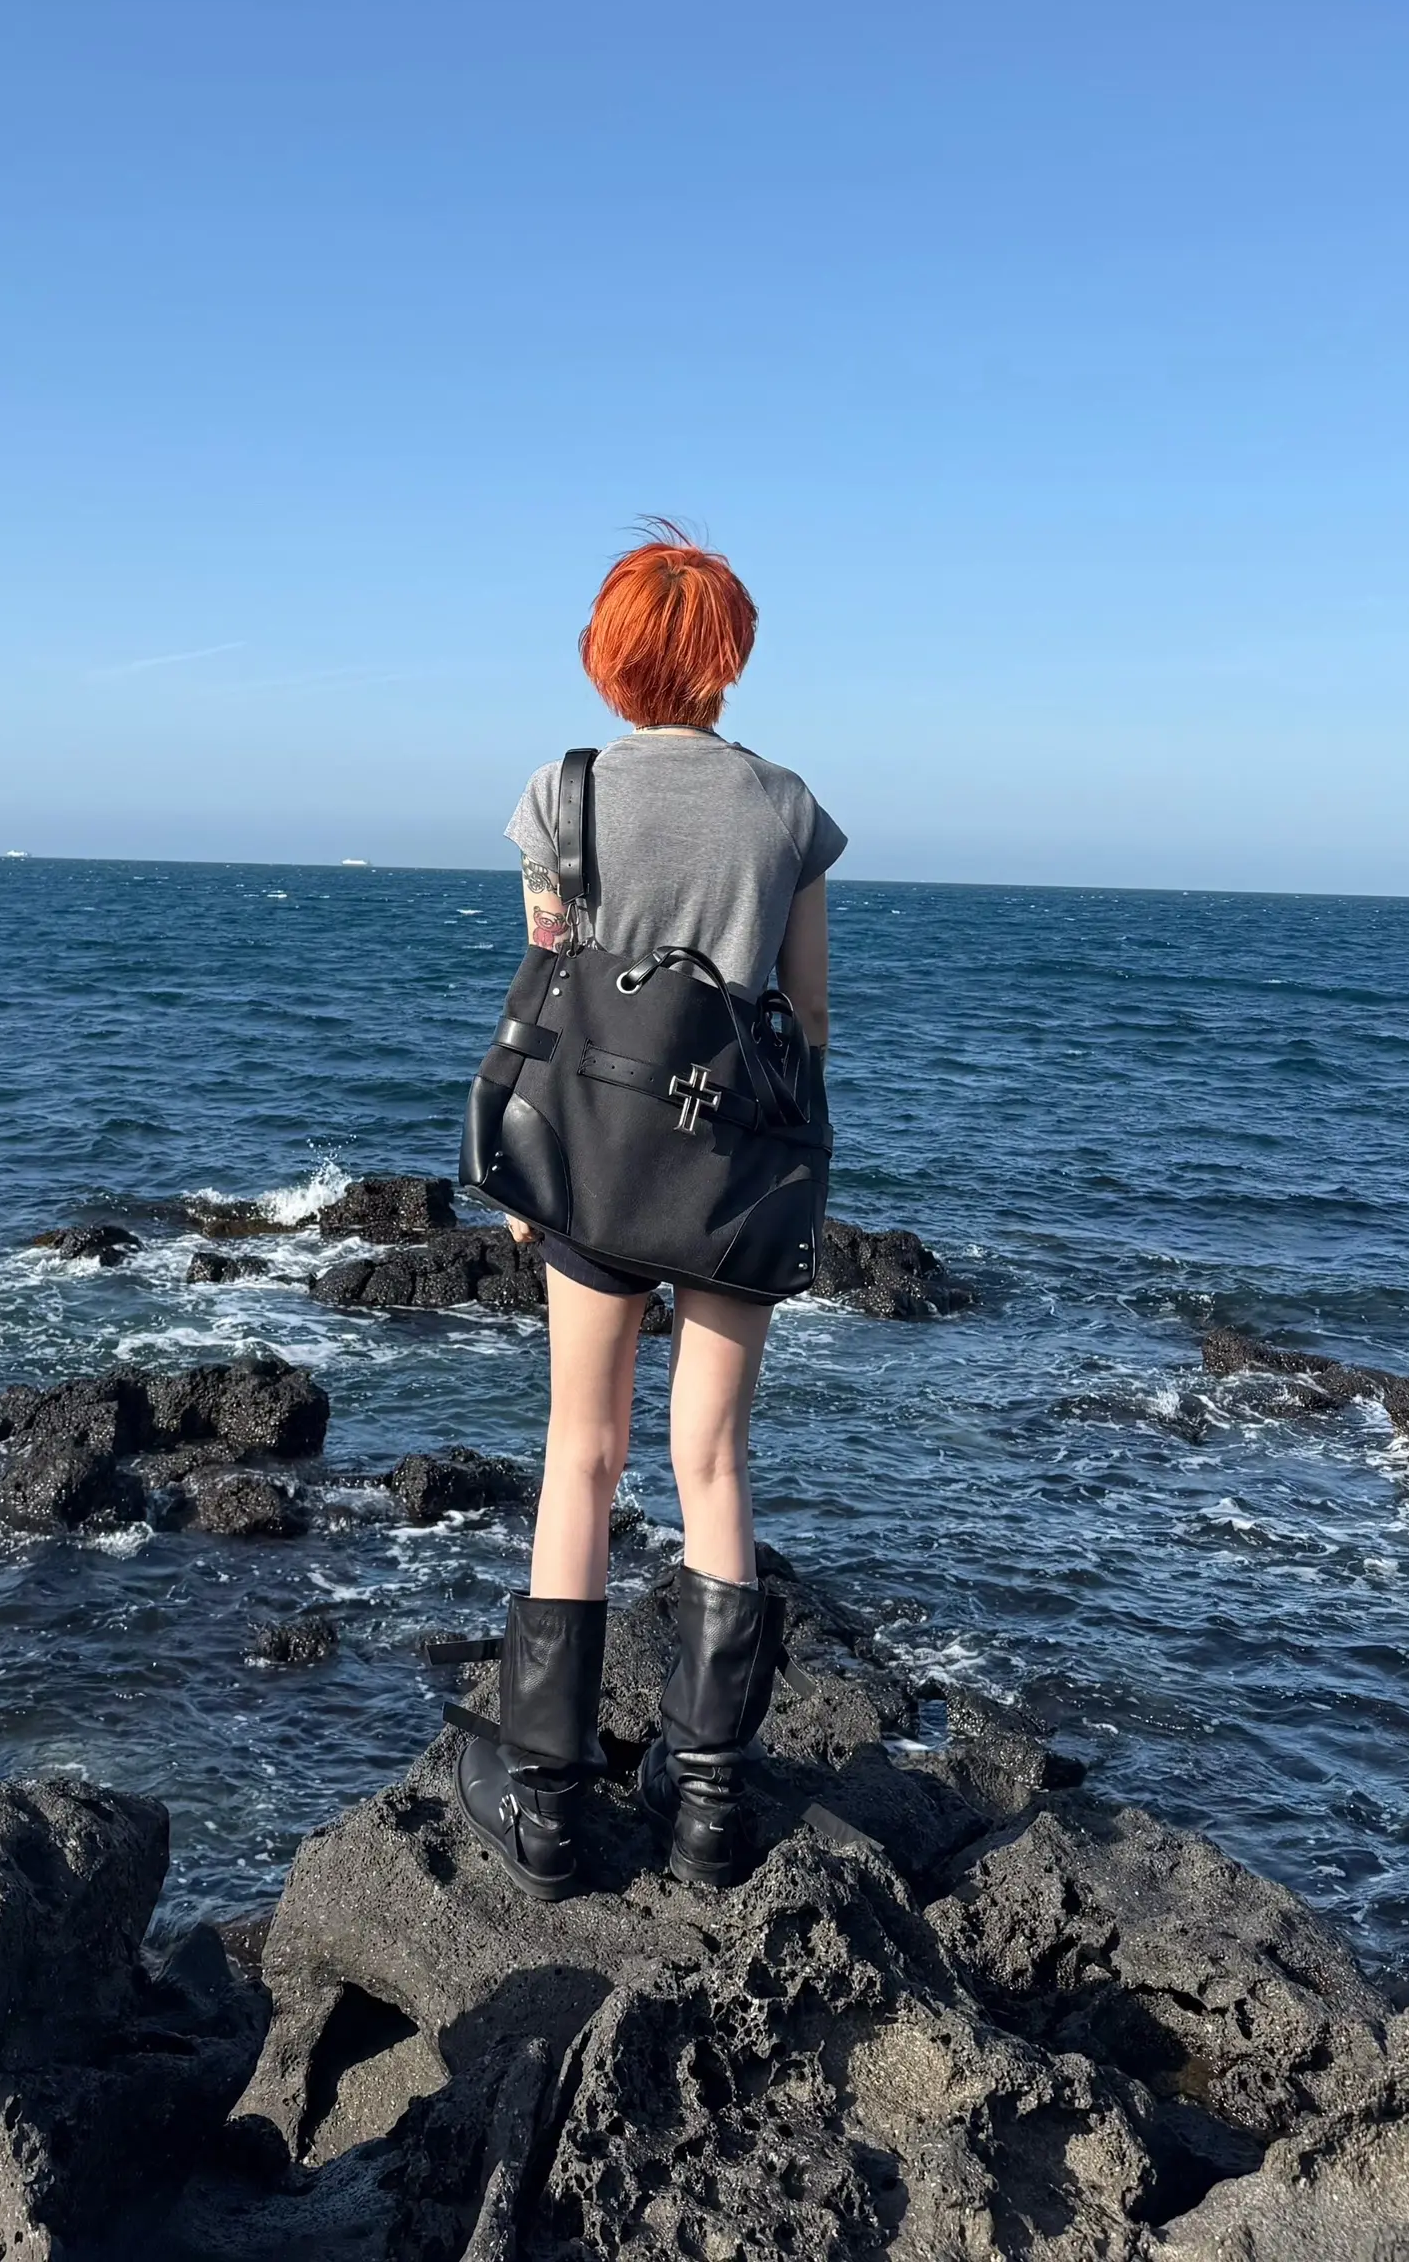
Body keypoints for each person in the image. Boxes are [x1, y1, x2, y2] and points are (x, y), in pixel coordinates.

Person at [455, 526, 844, 1899]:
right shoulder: (787, 809)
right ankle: (709, 1812)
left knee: (582, 1454)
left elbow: (549, 981)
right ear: (727, 658)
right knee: (713, 1465)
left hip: (596, 1167)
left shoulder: (561, 797)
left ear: (609, 658)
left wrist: (530, 1175)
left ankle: (549, 1812)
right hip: (735, 1171)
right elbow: (807, 1017)